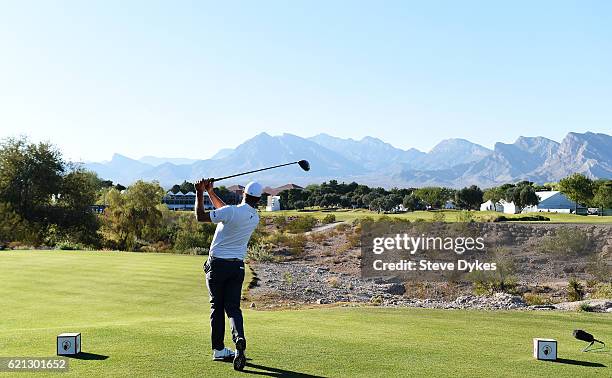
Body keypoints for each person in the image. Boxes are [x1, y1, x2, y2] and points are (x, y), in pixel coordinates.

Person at [195, 178, 262, 371]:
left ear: (243, 194)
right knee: (233, 308)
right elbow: (225, 211)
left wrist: (200, 192)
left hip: (218, 265)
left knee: (216, 306)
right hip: (237, 267)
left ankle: (218, 349)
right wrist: (210, 191)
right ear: (257, 199)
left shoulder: (231, 211)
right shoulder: (254, 217)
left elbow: (201, 217)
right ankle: (238, 338)